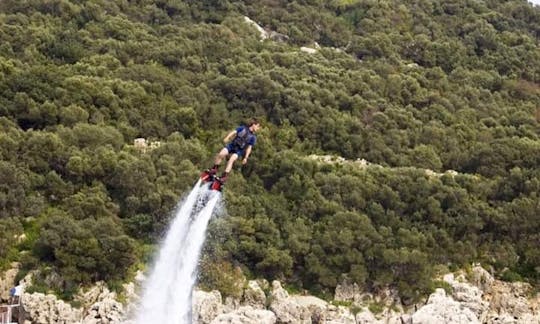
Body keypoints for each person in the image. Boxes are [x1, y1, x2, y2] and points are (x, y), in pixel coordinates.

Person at [203, 118, 261, 183]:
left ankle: (224, 177)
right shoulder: (242, 128)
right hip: (232, 145)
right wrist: (227, 137)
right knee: (221, 154)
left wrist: (246, 158)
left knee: (231, 159)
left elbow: (249, 148)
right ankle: (214, 169)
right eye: (258, 126)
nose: (258, 128)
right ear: (253, 125)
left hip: (239, 150)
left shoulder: (253, 137)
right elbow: (233, 132)